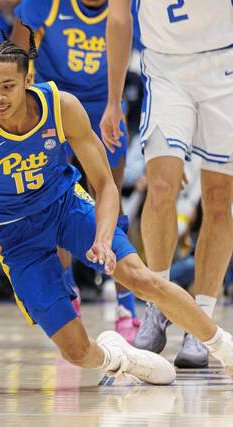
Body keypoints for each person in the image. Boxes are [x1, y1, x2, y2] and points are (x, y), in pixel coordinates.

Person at [0, 23, 233, 384]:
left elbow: (105, 184)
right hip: (14, 233)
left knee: (140, 278)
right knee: (75, 350)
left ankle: (223, 348)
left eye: (7, 86)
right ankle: (120, 358)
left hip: (65, 206)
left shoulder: (62, 107)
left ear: (27, 80)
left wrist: (103, 236)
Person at [102, 0, 233, 368]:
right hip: (164, 69)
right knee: (160, 187)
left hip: (224, 66)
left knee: (218, 200)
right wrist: (114, 101)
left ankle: (201, 320)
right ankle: (157, 304)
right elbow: (118, 16)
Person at [13, 0, 138, 342]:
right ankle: (68, 291)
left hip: (105, 105)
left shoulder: (127, 8)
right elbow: (15, 53)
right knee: (53, 200)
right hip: (54, 100)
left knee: (110, 196)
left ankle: (126, 301)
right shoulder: (47, 4)